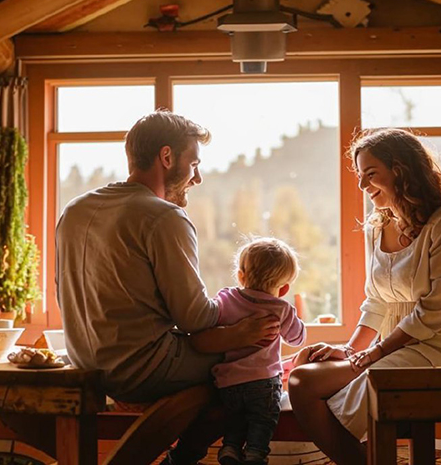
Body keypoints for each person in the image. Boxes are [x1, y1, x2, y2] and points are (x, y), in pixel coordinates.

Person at [55, 110, 280, 465]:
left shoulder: (75, 209)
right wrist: (245, 310)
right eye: (194, 163)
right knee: (249, 374)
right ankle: (185, 459)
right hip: (141, 371)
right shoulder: (164, 216)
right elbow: (195, 318)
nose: (198, 177)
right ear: (166, 157)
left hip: (85, 361)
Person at [288, 128, 441, 465]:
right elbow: (376, 300)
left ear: (400, 170)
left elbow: (433, 313)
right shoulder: (377, 227)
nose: (362, 186)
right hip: (394, 345)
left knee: (365, 385)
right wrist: (351, 350)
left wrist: (373, 355)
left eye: (370, 174)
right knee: (302, 380)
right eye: (360, 176)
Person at [205, 237, 306, 465]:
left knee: (235, 418)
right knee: (263, 419)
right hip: (263, 382)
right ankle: (255, 454)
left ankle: (230, 447)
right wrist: (296, 318)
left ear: (241, 276)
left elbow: (209, 322)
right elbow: (297, 338)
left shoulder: (226, 298)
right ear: (284, 288)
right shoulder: (281, 308)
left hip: (228, 380)